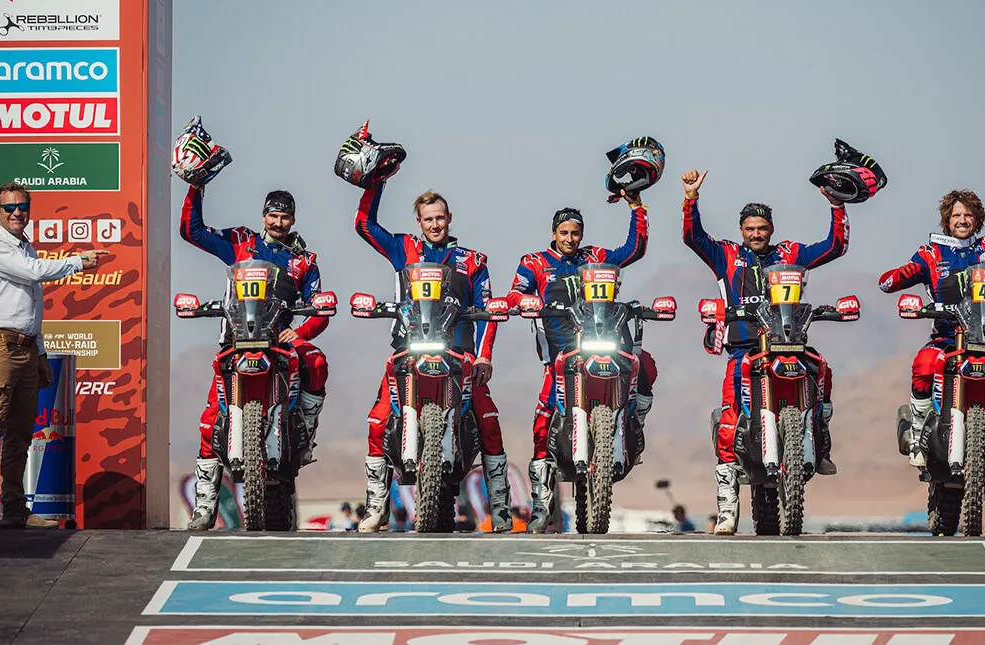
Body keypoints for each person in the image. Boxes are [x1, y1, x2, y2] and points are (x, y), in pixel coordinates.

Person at [681, 169, 849, 536]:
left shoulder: (790, 254)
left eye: (762, 228)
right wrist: (691, 198)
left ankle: (819, 437)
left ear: (771, 229)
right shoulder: (726, 254)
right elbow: (692, 237)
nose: (756, 234)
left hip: (788, 345)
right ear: (742, 230)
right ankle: (727, 510)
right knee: (729, 422)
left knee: (822, 368)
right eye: (750, 228)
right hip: (743, 352)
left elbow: (834, 247)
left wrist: (837, 206)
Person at [879, 188, 985, 537]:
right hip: (947, 341)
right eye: (956, 215)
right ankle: (917, 434)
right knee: (924, 363)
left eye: (968, 215)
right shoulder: (931, 253)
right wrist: (899, 280)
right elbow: (889, 282)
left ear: (978, 219)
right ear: (947, 219)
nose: (962, 221)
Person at [351, 181, 512, 533]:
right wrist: (375, 183)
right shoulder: (403, 248)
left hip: (459, 358)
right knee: (377, 420)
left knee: (488, 420)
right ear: (419, 222)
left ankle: (499, 507)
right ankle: (376, 506)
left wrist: (483, 357)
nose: (435, 225)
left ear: (449, 218)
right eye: (428, 219)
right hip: (406, 353)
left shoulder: (473, 261)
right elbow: (363, 225)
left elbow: (488, 310)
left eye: (440, 218)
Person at [179, 183, 331, 531]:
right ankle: (204, 507)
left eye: (285, 217)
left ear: (293, 219)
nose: (278, 222)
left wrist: (302, 332)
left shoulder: (304, 261)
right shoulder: (240, 242)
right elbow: (193, 231)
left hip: (281, 343)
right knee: (210, 420)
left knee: (318, 363)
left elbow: (320, 307)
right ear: (263, 216)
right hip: (235, 341)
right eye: (273, 215)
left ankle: (304, 435)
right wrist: (196, 187)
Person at [503, 190, 657, 533]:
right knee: (543, 418)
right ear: (554, 234)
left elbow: (633, 250)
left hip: (602, 344)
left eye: (575, 233)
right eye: (564, 233)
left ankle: (635, 417)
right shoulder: (535, 261)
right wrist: (525, 302)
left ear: (582, 234)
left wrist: (636, 207)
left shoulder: (596, 257)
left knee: (644, 364)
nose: (570, 239)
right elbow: (516, 292)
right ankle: (542, 507)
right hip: (560, 353)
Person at [0, 183, 108, 528]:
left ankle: (12, 509)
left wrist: (39, 353)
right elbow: (33, 274)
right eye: (9, 207)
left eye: (22, 206)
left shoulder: (26, 246)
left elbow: (33, 305)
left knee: (20, 432)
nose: (16, 213)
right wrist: (78, 262)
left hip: (25, 348)